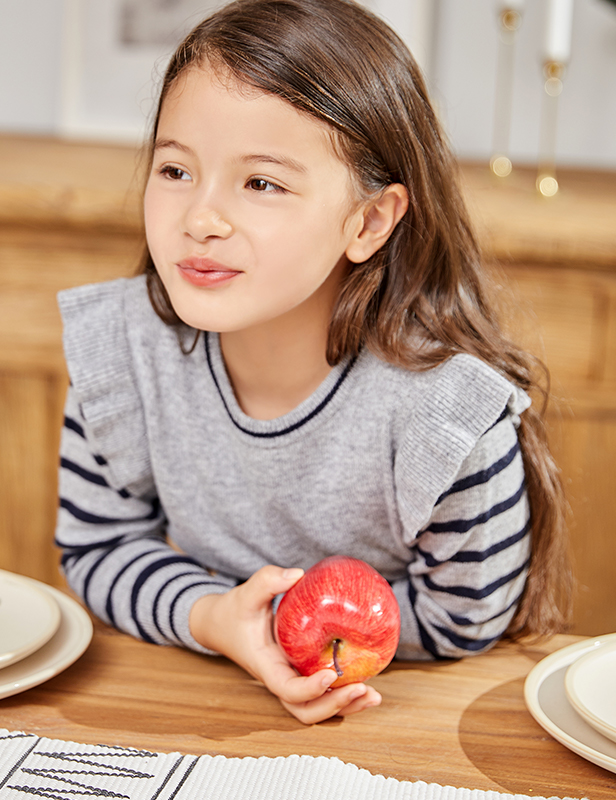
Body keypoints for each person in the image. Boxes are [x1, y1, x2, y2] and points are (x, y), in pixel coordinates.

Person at [55, 0, 572, 724]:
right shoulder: (124, 353)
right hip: (197, 707)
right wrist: (215, 620)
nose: (200, 217)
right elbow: (96, 545)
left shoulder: (445, 417)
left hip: (391, 722)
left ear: (368, 222)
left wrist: (291, 640)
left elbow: (466, 618)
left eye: (260, 182)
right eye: (175, 169)